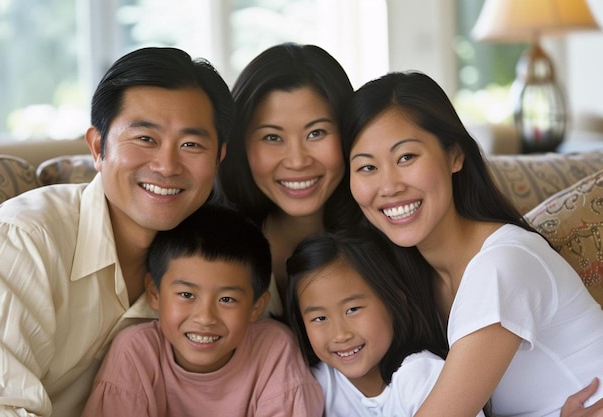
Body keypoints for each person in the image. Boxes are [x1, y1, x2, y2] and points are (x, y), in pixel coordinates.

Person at [0, 47, 234, 417]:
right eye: (145, 139)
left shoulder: (222, 254)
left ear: (218, 159)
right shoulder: (23, 240)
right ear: (98, 148)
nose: (166, 166)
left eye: (191, 144)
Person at [341, 70, 603, 417]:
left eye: (406, 157)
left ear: (455, 156)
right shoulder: (420, 279)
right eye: (366, 167)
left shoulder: (500, 265)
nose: (388, 186)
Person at [82, 205, 324, 417]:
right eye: (187, 295)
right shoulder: (136, 352)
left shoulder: (274, 349)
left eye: (227, 299)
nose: (205, 318)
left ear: (256, 307)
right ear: (155, 293)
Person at [218, 42, 359, 314]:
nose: (297, 161)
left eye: (316, 133)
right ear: (241, 146)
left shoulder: (390, 243)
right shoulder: (201, 248)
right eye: (272, 137)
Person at [285, 231, 487, 416]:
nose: (340, 334)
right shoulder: (315, 384)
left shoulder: (420, 376)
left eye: (352, 310)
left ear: (394, 302)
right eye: (319, 318)